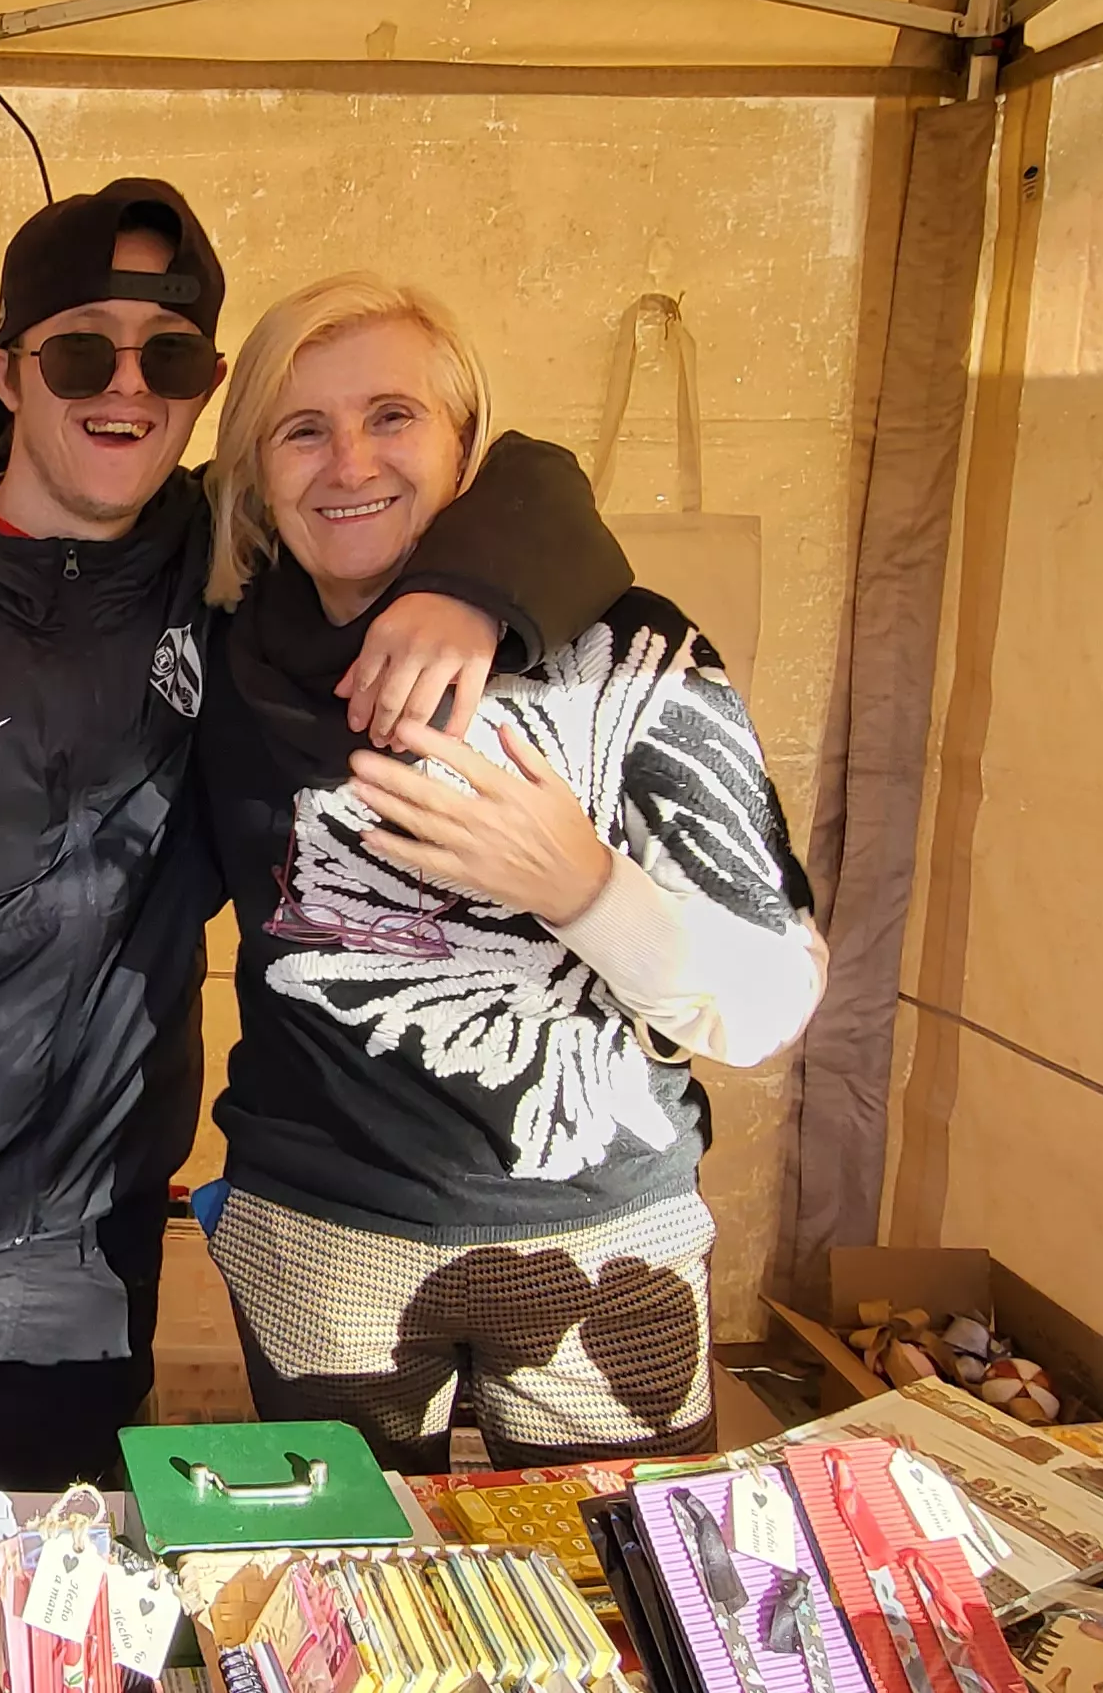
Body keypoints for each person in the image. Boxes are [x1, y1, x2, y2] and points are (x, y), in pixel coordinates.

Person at [0, 181, 630, 1498]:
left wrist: (473, 592)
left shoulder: (229, 566)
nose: (126, 388)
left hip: (94, 1236)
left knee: (60, 1607)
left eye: (168, 357)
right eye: (81, 353)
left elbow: (532, 478)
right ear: (6, 374)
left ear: (208, 385)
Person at [191, 272, 826, 1469]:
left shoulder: (630, 654)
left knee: (615, 1595)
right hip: (325, 1241)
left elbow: (770, 1004)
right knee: (361, 1613)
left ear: (465, 445)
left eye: (393, 416)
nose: (348, 463)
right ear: (255, 471)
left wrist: (582, 886)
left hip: (603, 1240)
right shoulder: (223, 659)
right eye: (302, 428)